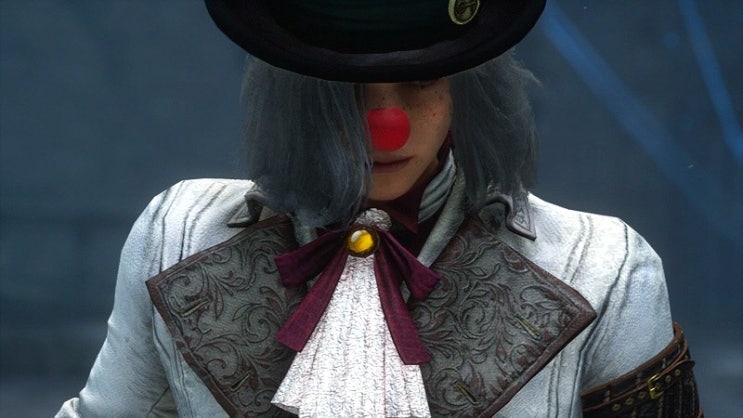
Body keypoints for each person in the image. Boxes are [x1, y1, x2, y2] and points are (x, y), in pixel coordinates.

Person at [57, 0, 702, 417]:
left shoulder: (603, 268)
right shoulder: (180, 232)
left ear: (467, 89)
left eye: (421, 81)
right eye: (350, 90)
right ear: (297, 95)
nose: (387, 128)